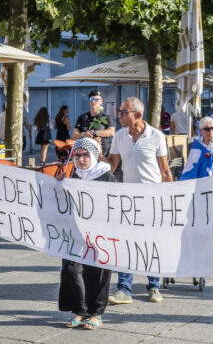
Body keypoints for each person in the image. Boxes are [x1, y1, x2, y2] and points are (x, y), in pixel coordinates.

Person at [107, 97, 173, 303]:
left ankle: (154, 286)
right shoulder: (119, 136)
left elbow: (165, 170)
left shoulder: (157, 136)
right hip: (128, 199)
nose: (119, 115)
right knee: (125, 243)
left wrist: (170, 200)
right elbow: (112, 167)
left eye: (123, 112)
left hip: (152, 198)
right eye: (120, 111)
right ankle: (124, 289)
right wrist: (98, 158)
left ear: (137, 114)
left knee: (152, 243)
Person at [56, 138, 115, 330]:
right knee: (71, 270)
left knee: (97, 272)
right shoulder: (73, 174)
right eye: (77, 155)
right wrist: (58, 184)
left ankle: (96, 313)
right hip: (75, 233)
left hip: (100, 233)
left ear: (94, 155)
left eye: (85, 155)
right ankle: (80, 310)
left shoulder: (106, 176)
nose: (81, 159)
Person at [73, 90, 114, 156]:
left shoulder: (106, 117)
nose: (93, 102)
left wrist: (95, 133)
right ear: (89, 101)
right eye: (91, 99)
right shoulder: (82, 117)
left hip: (103, 153)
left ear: (101, 101)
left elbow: (111, 132)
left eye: (96, 99)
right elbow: (74, 135)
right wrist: (84, 134)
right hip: (86, 154)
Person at [180, 115, 213, 179]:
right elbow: (192, 161)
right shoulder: (197, 142)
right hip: (198, 176)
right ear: (201, 131)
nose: (210, 131)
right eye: (207, 129)